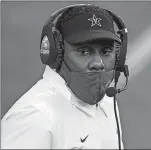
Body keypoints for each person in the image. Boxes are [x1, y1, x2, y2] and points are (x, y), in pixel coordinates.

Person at [1, 4, 129, 149]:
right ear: (56, 53)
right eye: (84, 52)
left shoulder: (107, 103)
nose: (98, 63)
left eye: (106, 52)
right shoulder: (33, 119)